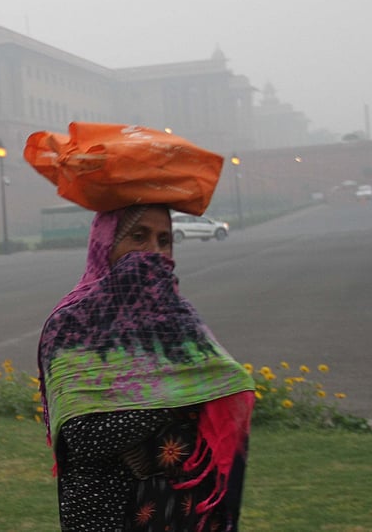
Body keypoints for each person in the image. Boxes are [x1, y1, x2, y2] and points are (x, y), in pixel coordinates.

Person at [38, 204, 255, 532]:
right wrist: (176, 400)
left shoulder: (180, 320)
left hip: (181, 511)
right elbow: (84, 438)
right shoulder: (72, 326)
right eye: (138, 237)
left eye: (164, 240)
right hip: (105, 515)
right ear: (105, 244)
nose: (153, 252)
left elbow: (224, 391)